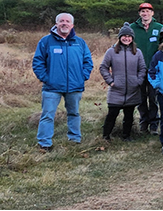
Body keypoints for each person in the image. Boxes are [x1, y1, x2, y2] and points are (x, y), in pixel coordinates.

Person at [32, 13, 93, 152]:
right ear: (56, 24)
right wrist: (46, 78)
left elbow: (88, 62)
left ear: (72, 25)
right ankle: (45, 143)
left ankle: (75, 139)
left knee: (74, 113)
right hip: (52, 87)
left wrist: (82, 76)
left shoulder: (80, 42)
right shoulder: (46, 41)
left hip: (75, 86)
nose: (64, 23)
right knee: (47, 115)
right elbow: (38, 62)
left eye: (67, 21)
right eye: (61, 21)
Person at [99, 22, 146, 142]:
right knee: (112, 115)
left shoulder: (137, 52)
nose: (127, 38)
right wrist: (110, 81)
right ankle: (106, 136)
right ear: (120, 37)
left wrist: (138, 81)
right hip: (116, 90)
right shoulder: (111, 52)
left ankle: (127, 136)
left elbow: (142, 68)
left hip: (132, 90)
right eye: (124, 36)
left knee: (129, 115)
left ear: (132, 38)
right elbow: (103, 67)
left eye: (129, 36)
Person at [131, 2, 163, 135]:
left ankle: (154, 124)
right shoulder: (132, 28)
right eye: (143, 11)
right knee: (141, 98)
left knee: (153, 97)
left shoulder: (159, 27)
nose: (145, 13)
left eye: (148, 11)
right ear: (139, 14)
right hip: (137, 69)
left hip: (153, 69)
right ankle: (143, 122)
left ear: (152, 13)